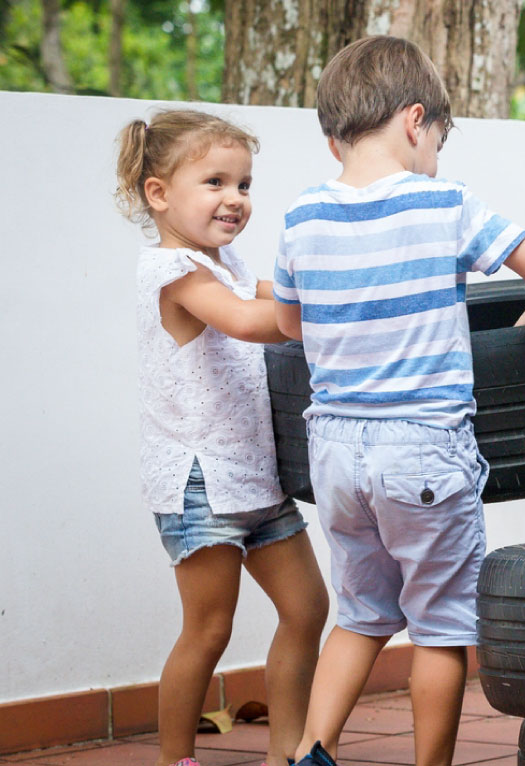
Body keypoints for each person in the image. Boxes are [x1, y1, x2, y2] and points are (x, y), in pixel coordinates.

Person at [273, 36, 525, 766]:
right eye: (438, 137)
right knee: (440, 626)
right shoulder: (444, 202)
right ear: (415, 121)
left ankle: (313, 749)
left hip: (336, 451)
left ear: (331, 132)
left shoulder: (301, 216)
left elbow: (288, 325)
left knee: (362, 614)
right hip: (424, 448)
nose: (437, 152)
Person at [116, 109, 329, 766]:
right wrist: (312, 317)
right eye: (215, 182)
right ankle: (176, 760)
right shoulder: (173, 270)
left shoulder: (223, 262)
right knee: (208, 630)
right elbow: (244, 318)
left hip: (255, 475)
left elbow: (276, 294)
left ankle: (286, 752)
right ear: (159, 194)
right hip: (199, 480)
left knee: (307, 609)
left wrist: (339, 293)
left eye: (243, 184)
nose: (235, 199)